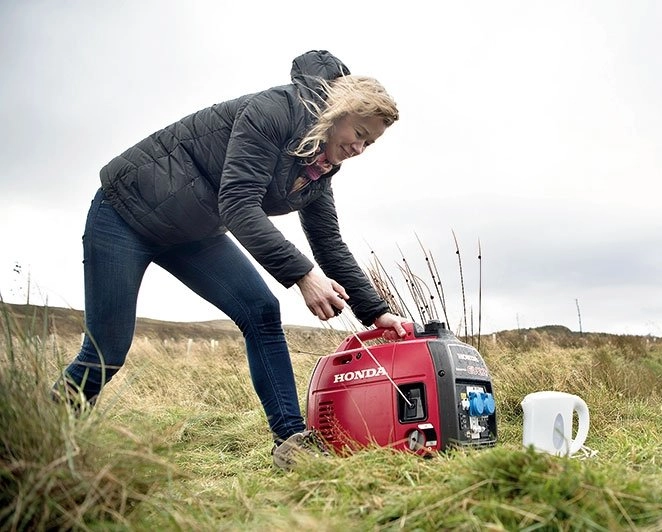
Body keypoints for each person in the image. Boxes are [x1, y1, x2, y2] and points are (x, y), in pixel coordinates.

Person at [56, 50, 408, 470]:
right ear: (338, 112)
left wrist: (377, 313)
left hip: (192, 233)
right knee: (107, 351)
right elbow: (239, 204)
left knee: (260, 310)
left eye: (370, 142)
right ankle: (47, 428)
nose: (360, 147)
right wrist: (302, 275)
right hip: (125, 213)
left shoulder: (319, 168)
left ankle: (291, 442)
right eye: (359, 132)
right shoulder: (274, 111)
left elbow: (328, 241)